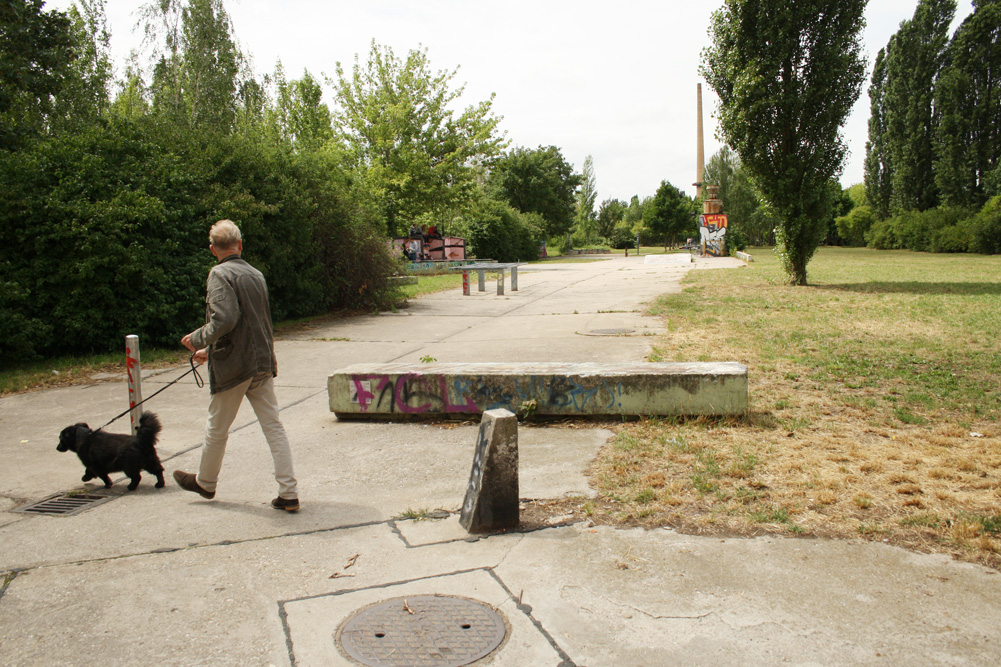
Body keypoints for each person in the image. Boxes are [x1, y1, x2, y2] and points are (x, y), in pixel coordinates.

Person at [173, 219, 300, 512]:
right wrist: (210, 348)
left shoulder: (219, 274)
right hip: (262, 361)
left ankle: (205, 483)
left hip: (235, 366)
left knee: (216, 427)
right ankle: (289, 492)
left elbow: (226, 320)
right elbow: (250, 323)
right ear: (240, 245)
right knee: (274, 427)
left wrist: (197, 339)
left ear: (212, 249)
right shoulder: (255, 274)